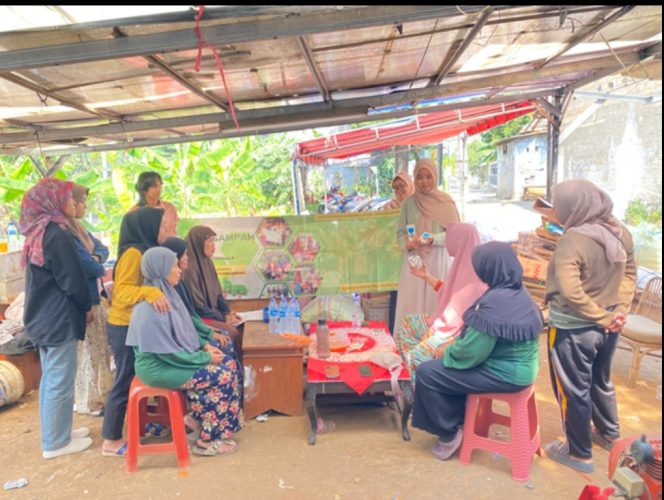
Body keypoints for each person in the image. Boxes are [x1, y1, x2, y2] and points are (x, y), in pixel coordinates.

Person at [412, 241, 543, 461]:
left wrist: (446, 352)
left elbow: (471, 353)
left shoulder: (495, 303)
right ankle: (460, 419)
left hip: (506, 373)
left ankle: (449, 434)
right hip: (523, 369)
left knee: (428, 372)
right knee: (446, 368)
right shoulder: (518, 293)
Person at [543, 179, 636, 474]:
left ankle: (579, 452)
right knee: (601, 381)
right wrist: (616, 312)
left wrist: (603, 316)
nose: (554, 210)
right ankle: (609, 434)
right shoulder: (618, 230)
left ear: (575, 206)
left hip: (574, 329)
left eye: (558, 204)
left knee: (572, 390)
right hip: (608, 328)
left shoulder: (574, 239)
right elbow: (630, 272)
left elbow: (571, 291)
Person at [126, 247, 244, 456]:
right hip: (159, 368)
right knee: (221, 375)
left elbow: (182, 332)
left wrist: (204, 346)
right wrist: (205, 357)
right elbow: (167, 353)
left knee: (228, 362)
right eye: (173, 265)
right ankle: (207, 441)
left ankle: (202, 422)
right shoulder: (151, 308)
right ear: (161, 270)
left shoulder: (167, 296)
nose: (179, 269)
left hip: (174, 360)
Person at [19, 178, 93, 459]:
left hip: (44, 317)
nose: (71, 202)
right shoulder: (56, 235)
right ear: (51, 201)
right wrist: (86, 305)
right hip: (58, 318)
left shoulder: (39, 233)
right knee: (60, 379)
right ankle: (55, 442)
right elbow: (72, 280)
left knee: (53, 378)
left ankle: (59, 432)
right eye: (66, 197)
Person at [101, 207, 170, 457]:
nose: (164, 231)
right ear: (146, 227)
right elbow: (123, 292)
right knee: (125, 379)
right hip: (124, 326)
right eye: (161, 226)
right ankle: (110, 439)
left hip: (136, 326)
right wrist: (150, 292)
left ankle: (139, 424)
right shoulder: (133, 254)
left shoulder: (146, 252)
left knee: (136, 378)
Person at [394, 223, 486, 380]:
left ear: (460, 241)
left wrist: (431, 334)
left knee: (418, 355)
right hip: (445, 322)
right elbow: (448, 292)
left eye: (452, 238)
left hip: (459, 332)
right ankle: (416, 381)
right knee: (407, 325)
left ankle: (421, 391)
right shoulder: (462, 263)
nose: (449, 241)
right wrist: (426, 275)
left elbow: (457, 315)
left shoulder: (475, 274)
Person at [394, 158, 460, 330]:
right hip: (414, 256)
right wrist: (408, 244)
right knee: (412, 300)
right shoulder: (409, 203)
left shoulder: (446, 202)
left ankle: (434, 344)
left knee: (436, 298)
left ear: (435, 177)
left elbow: (456, 234)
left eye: (428, 176)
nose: (424, 182)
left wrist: (433, 239)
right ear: (414, 179)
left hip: (439, 256)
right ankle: (410, 346)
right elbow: (401, 233)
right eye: (420, 177)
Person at [68, 183, 114, 416]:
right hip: (83, 301)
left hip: (94, 297)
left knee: (99, 350)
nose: (84, 206)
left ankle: (98, 396)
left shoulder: (80, 229)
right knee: (87, 353)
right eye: (81, 201)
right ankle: (88, 401)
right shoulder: (64, 232)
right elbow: (89, 267)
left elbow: (102, 250)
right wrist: (95, 260)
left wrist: (95, 257)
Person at [181, 225, 242, 351]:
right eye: (209, 241)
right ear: (198, 243)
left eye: (214, 241)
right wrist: (223, 318)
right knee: (231, 332)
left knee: (239, 325)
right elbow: (198, 307)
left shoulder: (207, 262)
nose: (213, 245)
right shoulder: (189, 268)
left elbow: (218, 294)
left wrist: (227, 313)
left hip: (213, 314)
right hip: (198, 318)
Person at [131, 171, 179, 239]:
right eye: (155, 186)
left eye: (160, 186)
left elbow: (177, 231)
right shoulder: (134, 212)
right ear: (144, 189)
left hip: (172, 247)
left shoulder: (169, 208)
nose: (159, 189)